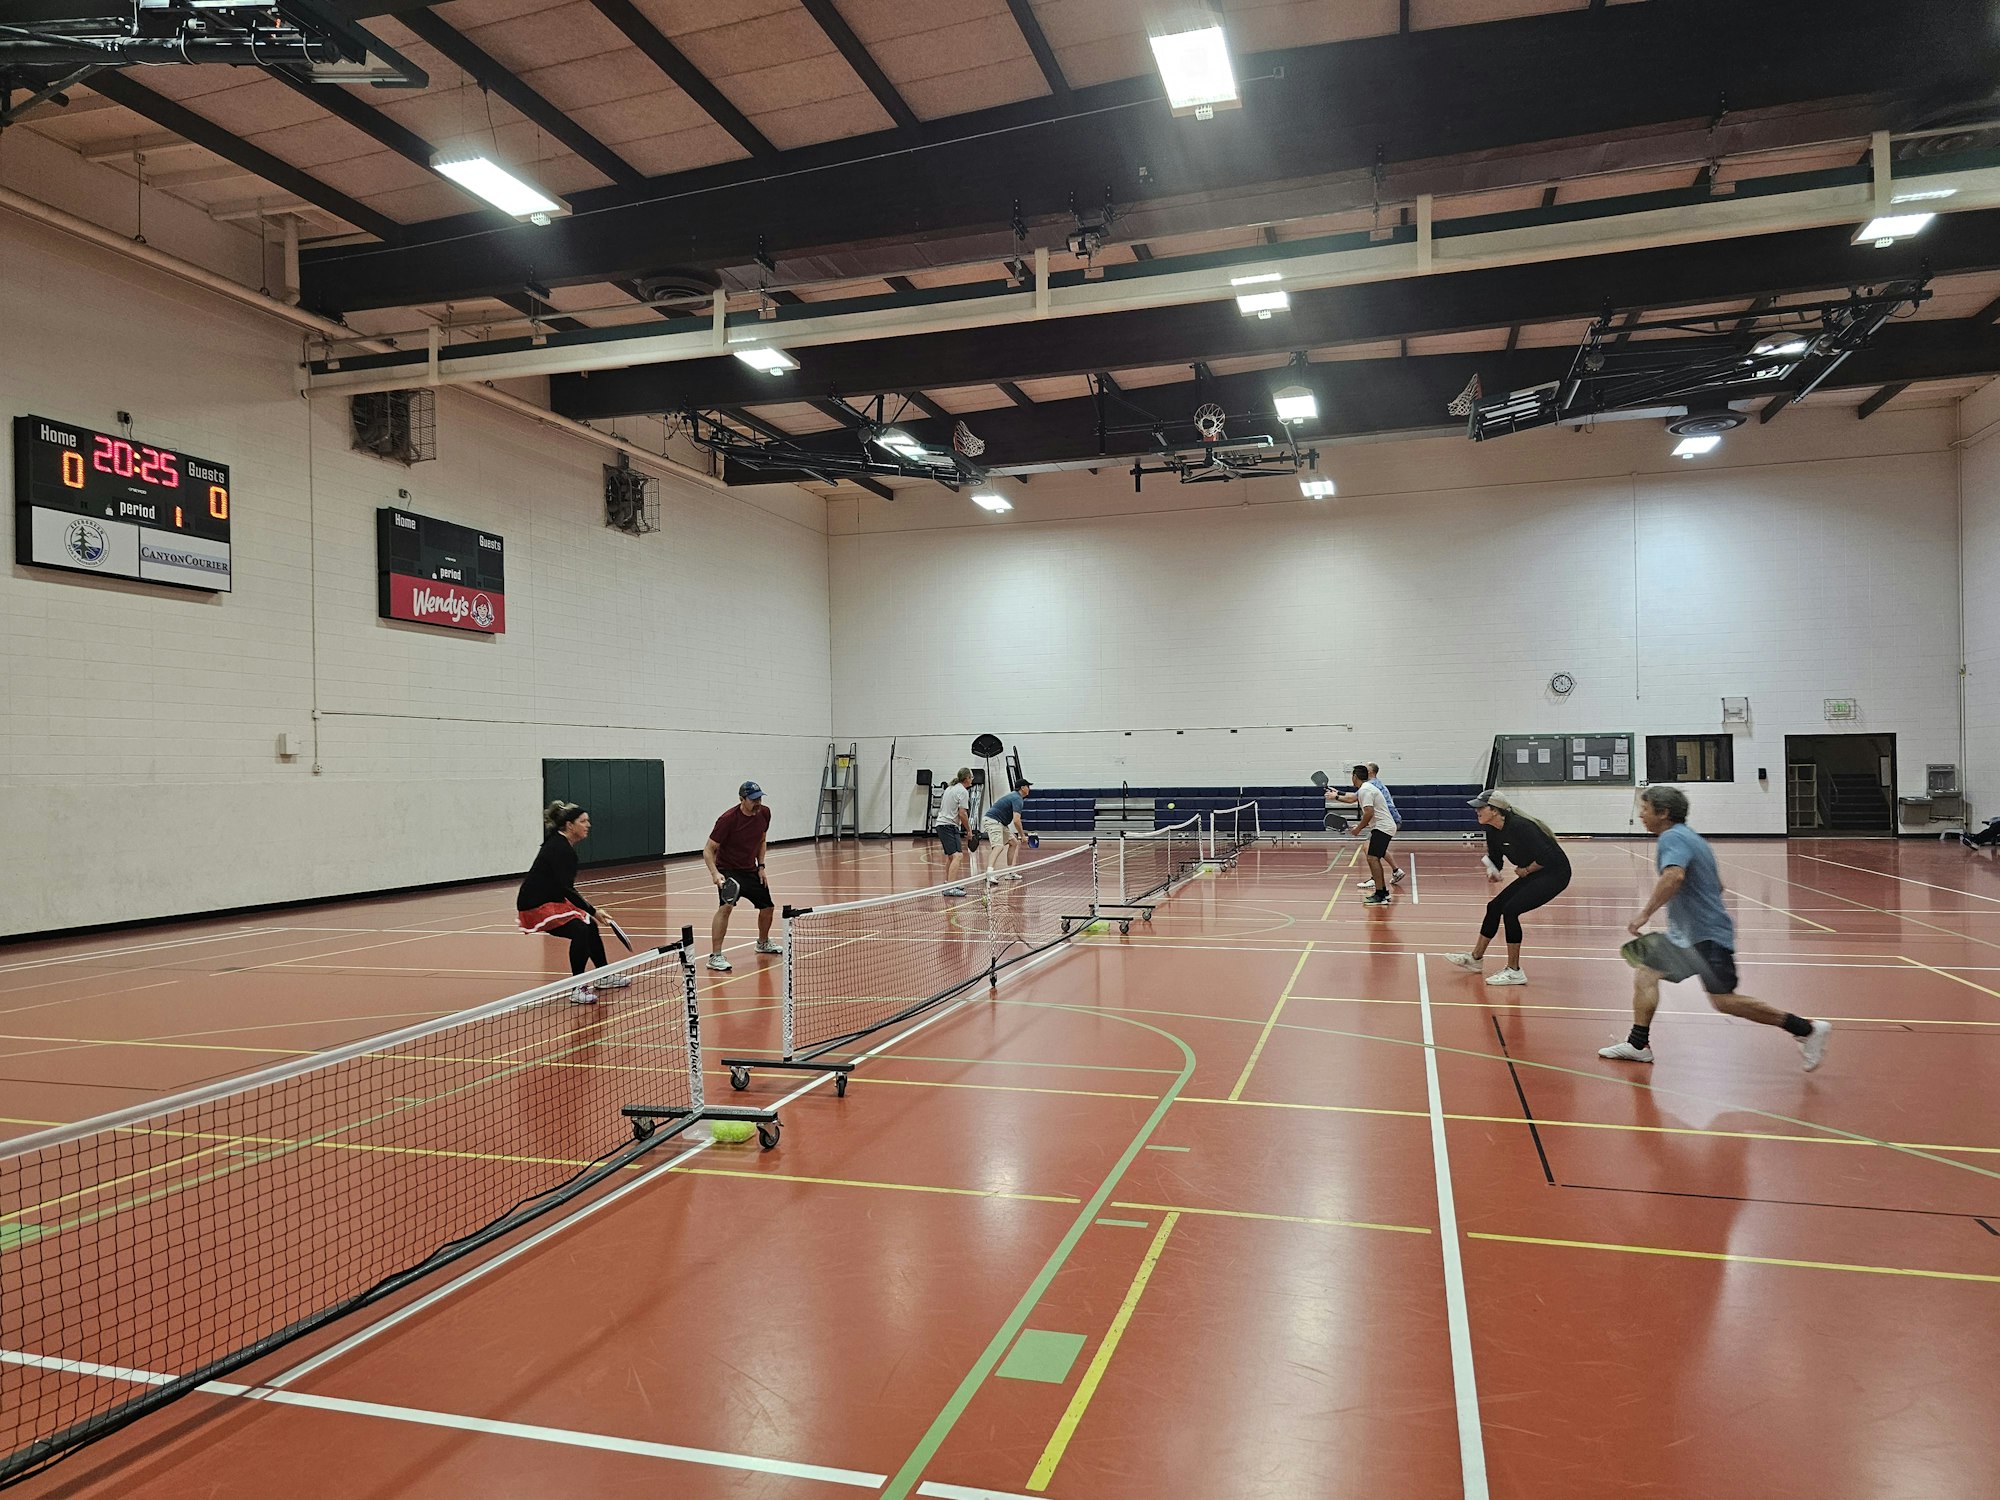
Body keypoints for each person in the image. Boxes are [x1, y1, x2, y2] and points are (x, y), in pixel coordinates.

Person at [1600, 785, 1831, 1071]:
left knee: (1724, 1001)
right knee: (1647, 973)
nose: (1641, 815)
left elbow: (1673, 876)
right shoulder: (1692, 838)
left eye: (1645, 809)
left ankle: (1807, 1029)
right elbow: (1718, 886)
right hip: (1688, 936)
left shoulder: (1671, 837)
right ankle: (1637, 1044)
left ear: (1663, 812)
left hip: (1705, 935)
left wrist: (1644, 914)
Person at [1444, 790, 1571, 986]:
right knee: (1494, 907)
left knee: (1511, 910)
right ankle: (1476, 958)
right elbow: (1496, 857)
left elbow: (1549, 857)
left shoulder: (1521, 827)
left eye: (1481, 807)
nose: (1476, 811)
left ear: (1495, 810)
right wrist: (1493, 870)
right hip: (1536, 872)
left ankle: (1514, 971)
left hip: (1555, 874)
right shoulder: (1492, 830)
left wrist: (1526, 870)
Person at [515, 801, 628, 1004]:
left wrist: (590, 913)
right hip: (535, 904)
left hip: (551, 899)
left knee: (589, 926)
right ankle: (578, 987)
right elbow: (566, 888)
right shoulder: (560, 849)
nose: (588, 825)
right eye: (583, 821)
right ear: (569, 825)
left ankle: (603, 975)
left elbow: (563, 889)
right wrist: (593, 910)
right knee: (581, 930)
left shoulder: (563, 845)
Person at [704, 781, 779, 973]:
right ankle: (715, 956)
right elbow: (708, 849)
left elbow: (762, 840)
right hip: (728, 870)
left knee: (768, 908)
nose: (758, 802)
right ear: (741, 799)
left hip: (750, 869)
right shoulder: (727, 819)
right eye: (753, 800)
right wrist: (715, 873)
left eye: (760, 798)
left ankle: (763, 943)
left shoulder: (764, 813)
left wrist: (761, 866)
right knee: (726, 907)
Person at [1328, 762, 1406, 887]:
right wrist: (1339, 793)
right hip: (1386, 821)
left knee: (1370, 851)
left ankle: (1378, 883)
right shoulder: (1371, 785)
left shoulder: (1369, 785)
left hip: (1387, 821)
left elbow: (1353, 799)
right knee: (1376, 849)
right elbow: (1356, 796)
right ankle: (1395, 871)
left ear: (1370, 772)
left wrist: (1336, 797)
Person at [1345, 765, 1398, 906]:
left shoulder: (1365, 790)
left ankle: (1381, 894)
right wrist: (1359, 826)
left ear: (1354, 777)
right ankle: (1382, 893)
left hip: (1383, 828)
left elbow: (1369, 812)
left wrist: (1359, 829)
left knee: (1372, 858)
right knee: (1373, 858)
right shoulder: (1366, 789)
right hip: (1382, 827)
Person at [981, 779, 1033, 886]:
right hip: (993, 821)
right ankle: (989, 873)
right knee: (998, 846)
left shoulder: (1016, 797)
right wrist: (1022, 836)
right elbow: (1016, 820)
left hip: (1000, 823)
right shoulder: (1017, 799)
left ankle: (1010, 872)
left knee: (1013, 842)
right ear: (1022, 788)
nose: (1029, 789)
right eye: (1028, 786)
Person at [935, 767, 977, 896]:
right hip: (947, 825)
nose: (972, 780)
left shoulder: (950, 788)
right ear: (967, 778)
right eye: (971, 777)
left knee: (951, 856)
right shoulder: (962, 791)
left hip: (945, 825)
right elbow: (962, 814)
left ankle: (949, 883)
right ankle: (949, 889)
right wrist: (969, 831)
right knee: (957, 856)